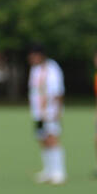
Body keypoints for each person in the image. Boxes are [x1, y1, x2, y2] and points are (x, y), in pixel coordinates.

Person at [28, 44, 66, 185]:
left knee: (52, 138)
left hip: (50, 111)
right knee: (42, 139)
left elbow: (58, 91)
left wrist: (57, 110)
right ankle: (48, 170)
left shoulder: (52, 69)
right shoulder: (35, 69)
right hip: (38, 111)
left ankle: (59, 172)